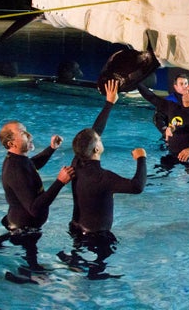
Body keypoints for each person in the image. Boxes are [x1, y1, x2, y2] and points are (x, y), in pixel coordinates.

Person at [61, 80, 147, 279]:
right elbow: (137, 187)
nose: (101, 139)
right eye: (99, 141)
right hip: (96, 237)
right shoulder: (104, 178)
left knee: (78, 259)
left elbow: (93, 134)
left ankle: (74, 264)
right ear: (97, 150)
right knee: (99, 269)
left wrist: (110, 103)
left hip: (75, 228)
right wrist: (141, 158)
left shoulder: (77, 162)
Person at [0, 120, 74, 271]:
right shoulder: (15, 169)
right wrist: (60, 182)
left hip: (24, 225)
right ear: (12, 144)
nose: (29, 135)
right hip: (24, 230)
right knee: (34, 272)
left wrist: (51, 149)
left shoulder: (18, 160)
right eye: (23, 133)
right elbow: (35, 208)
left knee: (32, 266)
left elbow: (32, 165)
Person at [137, 81, 189, 166]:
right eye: (186, 89)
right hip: (171, 155)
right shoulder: (173, 107)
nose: (185, 92)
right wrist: (136, 82)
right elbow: (151, 97)